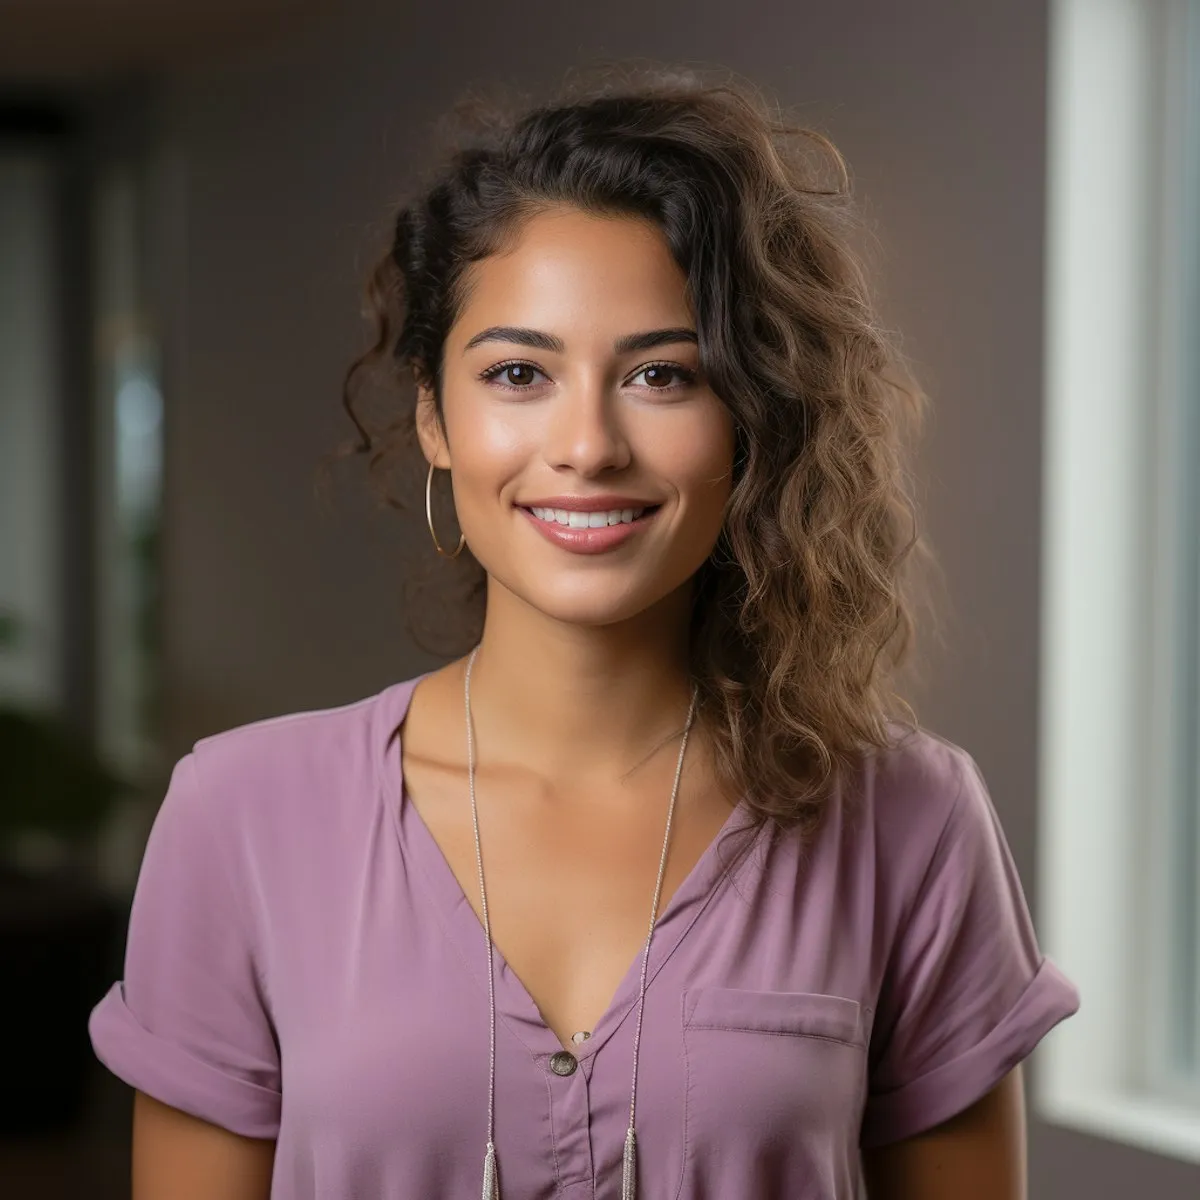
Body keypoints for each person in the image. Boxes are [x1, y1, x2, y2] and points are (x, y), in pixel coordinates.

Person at [88, 63, 1080, 1200]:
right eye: (518, 373)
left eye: (663, 375)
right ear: (435, 416)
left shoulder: (909, 819)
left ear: (750, 418)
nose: (588, 444)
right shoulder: (240, 816)